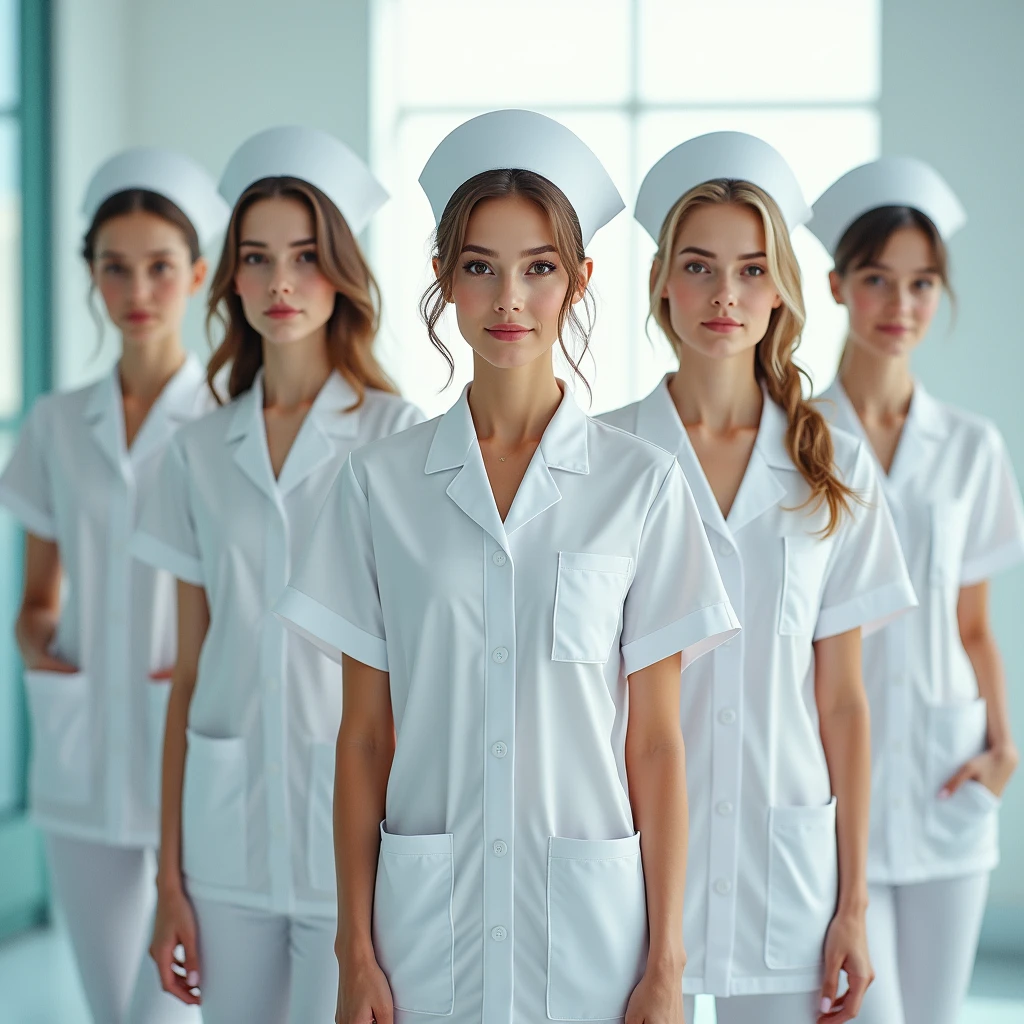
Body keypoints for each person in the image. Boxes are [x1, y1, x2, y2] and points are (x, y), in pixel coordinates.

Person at [275, 109, 740, 1024]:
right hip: (423, 928)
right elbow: (364, 738)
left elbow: (655, 744)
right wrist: (354, 950)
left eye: (538, 269)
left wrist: (667, 964)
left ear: (579, 281)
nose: (508, 300)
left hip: (592, 931)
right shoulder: (379, 485)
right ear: (445, 280)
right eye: (480, 267)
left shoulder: (639, 485)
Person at [602, 131, 917, 1024]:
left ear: (780, 289)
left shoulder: (833, 463)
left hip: (785, 862)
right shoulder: (601, 457)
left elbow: (846, 703)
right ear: (662, 279)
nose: (725, 296)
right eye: (700, 267)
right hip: (624, 854)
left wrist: (853, 903)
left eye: (749, 270)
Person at [129, 126, 424, 1024]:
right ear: (232, 281)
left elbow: (418, 662)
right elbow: (189, 670)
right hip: (225, 835)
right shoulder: (195, 452)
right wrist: (168, 880)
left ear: (341, 271)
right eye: (257, 259)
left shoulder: (399, 437)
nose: (281, 283)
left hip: (360, 837)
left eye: (305, 256)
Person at [0, 147, 227, 1024]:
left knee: (168, 1008)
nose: (139, 290)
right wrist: (42, 653)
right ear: (91, 275)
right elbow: (35, 600)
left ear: (198, 275)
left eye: (161, 267)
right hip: (83, 742)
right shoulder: (57, 424)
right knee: (113, 1010)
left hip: (194, 737)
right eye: (116, 267)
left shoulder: (225, 419)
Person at [811, 156, 1024, 1024]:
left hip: (946, 772)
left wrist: (1005, 747)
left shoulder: (972, 446)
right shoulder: (798, 441)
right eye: (877, 280)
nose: (901, 307)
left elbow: (973, 622)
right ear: (835, 285)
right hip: (829, 781)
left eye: (922, 285)